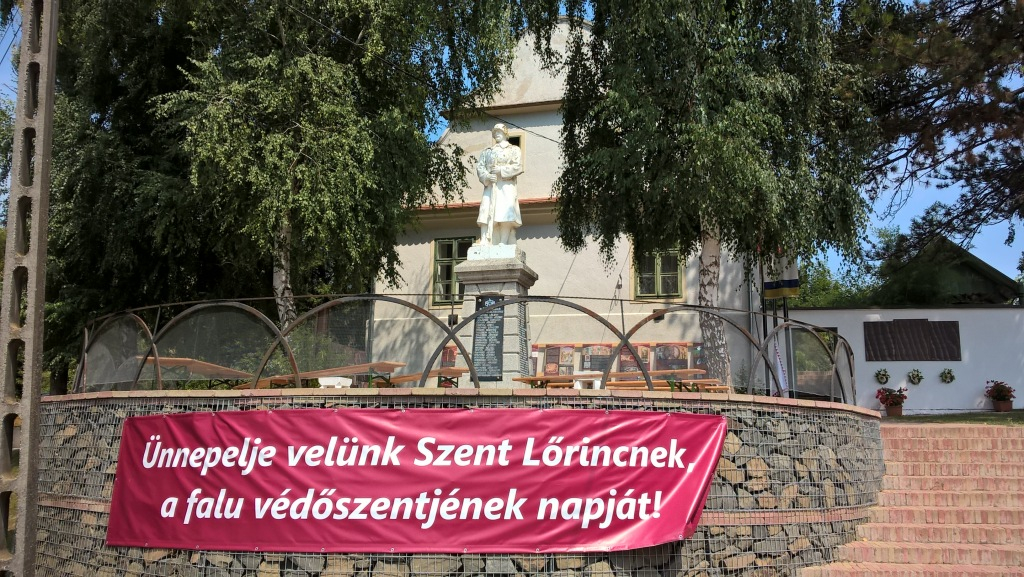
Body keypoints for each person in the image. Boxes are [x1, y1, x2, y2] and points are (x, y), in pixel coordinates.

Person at [476, 123, 523, 246]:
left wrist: (501, 170)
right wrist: (487, 176)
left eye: (499, 131)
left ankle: (503, 241)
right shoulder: (487, 152)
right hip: (491, 186)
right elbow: (480, 168)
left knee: (505, 213)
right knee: (485, 210)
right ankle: (484, 239)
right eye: (495, 132)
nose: (496, 134)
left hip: (506, 186)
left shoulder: (514, 150)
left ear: (505, 133)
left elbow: (518, 167)